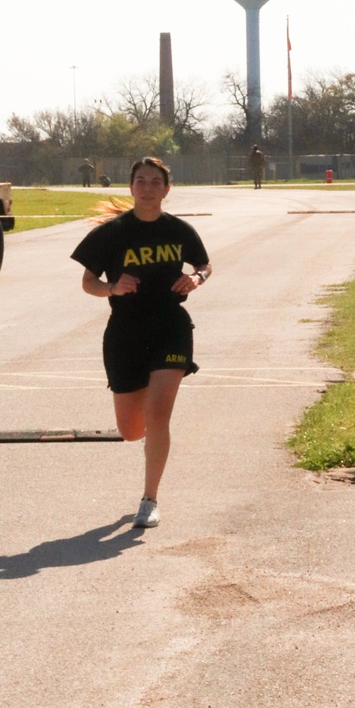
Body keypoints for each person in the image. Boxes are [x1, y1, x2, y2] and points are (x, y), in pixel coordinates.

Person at [70, 157, 211, 529]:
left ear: (167, 189)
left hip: (170, 327)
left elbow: (205, 264)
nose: (148, 188)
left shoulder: (180, 230)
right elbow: (88, 282)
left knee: (158, 415)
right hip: (125, 334)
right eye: (140, 181)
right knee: (131, 430)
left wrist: (196, 277)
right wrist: (112, 287)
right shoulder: (112, 233)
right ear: (130, 187)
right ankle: (150, 440)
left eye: (155, 181)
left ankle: (150, 499)